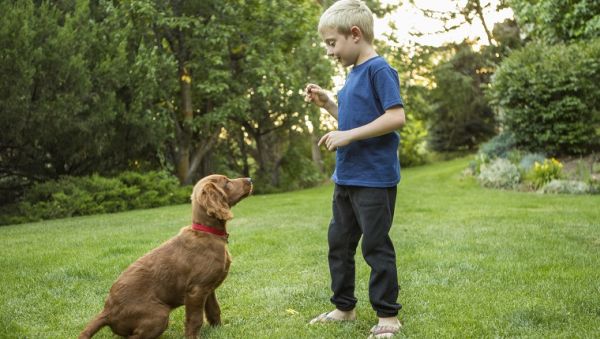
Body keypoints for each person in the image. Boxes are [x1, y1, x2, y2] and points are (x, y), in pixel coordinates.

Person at [304, 0, 406, 338]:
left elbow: (395, 117)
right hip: (346, 178)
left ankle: (388, 317)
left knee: (375, 246)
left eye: (332, 43)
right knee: (339, 244)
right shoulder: (353, 76)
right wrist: (330, 104)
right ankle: (344, 308)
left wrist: (347, 135)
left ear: (356, 34)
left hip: (374, 180)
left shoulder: (380, 70)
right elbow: (353, 122)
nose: (330, 52)